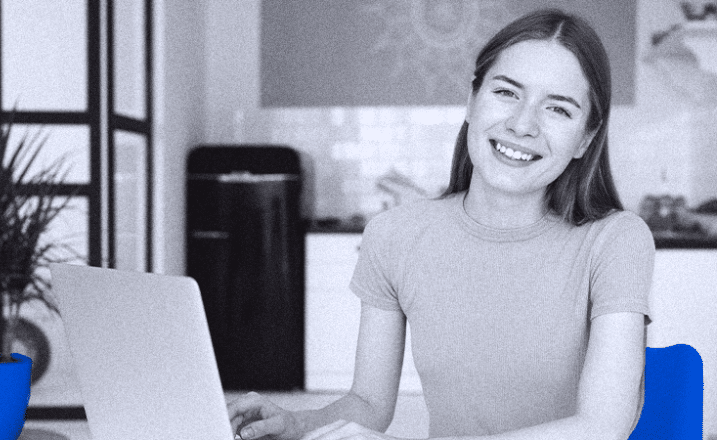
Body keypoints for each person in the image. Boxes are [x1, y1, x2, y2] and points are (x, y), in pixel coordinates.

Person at [228, 8, 654, 440]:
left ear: (585, 137)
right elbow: (370, 404)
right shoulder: (394, 235)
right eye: (507, 93)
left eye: (558, 109)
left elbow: (603, 426)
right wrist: (296, 423)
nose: (522, 124)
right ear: (472, 100)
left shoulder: (615, 240)